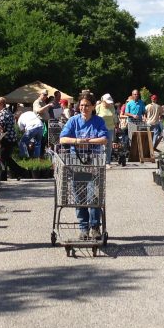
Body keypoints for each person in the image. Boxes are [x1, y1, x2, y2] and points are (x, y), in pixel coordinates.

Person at [59, 94, 109, 239]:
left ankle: (95, 226)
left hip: (94, 162)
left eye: (87, 105)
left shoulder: (98, 121)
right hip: (76, 162)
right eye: (81, 105)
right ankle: (83, 227)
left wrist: (89, 141)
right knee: (79, 196)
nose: (83, 108)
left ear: (93, 107)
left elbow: (104, 139)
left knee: (93, 195)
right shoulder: (73, 121)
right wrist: (77, 140)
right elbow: (62, 138)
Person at [0, 97, 20, 181]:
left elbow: (0, 127)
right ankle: (4, 176)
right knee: (5, 157)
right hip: (10, 138)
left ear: (1, 104)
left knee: (4, 157)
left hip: (5, 138)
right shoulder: (7, 112)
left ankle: (19, 172)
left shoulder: (2, 114)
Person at [95, 94, 118, 165]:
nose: (109, 103)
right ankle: (100, 162)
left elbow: (114, 117)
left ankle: (108, 162)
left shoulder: (112, 107)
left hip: (110, 128)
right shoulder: (98, 107)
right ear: (103, 101)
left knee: (109, 146)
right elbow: (94, 117)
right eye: (107, 102)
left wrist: (116, 125)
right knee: (101, 145)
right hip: (100, 129)